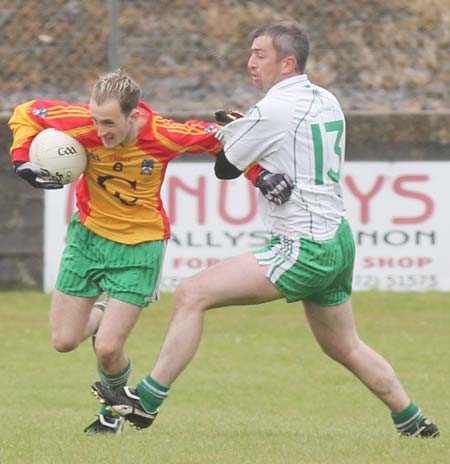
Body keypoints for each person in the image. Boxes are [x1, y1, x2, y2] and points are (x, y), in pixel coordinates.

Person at [91, 22, 440, 438]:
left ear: (287, 62)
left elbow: (225, 166)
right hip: (337, 238)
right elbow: (284, 146)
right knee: (343, 346)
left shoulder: (274, 109)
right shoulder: (326, 99)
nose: (251, 62)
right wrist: (245, 127)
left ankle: (146, 402)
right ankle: (412, 420)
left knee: (191, 293)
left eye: (260, 54)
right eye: (252, 53)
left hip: (303, 245)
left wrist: (239, 129)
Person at [8, 69, 293, 435]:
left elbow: (224, 141)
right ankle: (102, 310)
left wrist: (260, 176)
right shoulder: (80, 124)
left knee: (108, 348)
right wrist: (21, 161)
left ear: (134, 115)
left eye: (110, 123)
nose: (101, 131)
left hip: (140, 248)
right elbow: (25, 113)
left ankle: (111, 415)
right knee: (63, 341)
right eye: (96, 121)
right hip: (88, 240)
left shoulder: (163, 134)